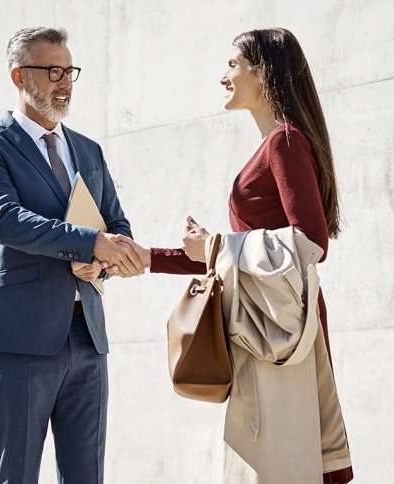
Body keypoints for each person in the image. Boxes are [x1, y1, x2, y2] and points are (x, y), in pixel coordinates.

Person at [115, 28, 354, 483]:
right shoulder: (278, 144)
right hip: (265, 324)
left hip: (277, 330)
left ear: (263, 73)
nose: (224, 75)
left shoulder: (285, 142)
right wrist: (149, 257)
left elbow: (311, 242)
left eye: (233, 64)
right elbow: (233, 255)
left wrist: (214, 246)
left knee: (277, 461)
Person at [0, 26, 142, 484]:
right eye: (53, 71)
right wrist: (87, 243)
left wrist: (101, 258)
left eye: (69, 71)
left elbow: (117, 225)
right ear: (20, 76)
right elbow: (3, 219)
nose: (65, 82)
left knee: (87, 476)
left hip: (88, 335)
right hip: (20, 337)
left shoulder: (89, 150)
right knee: (16, 473)